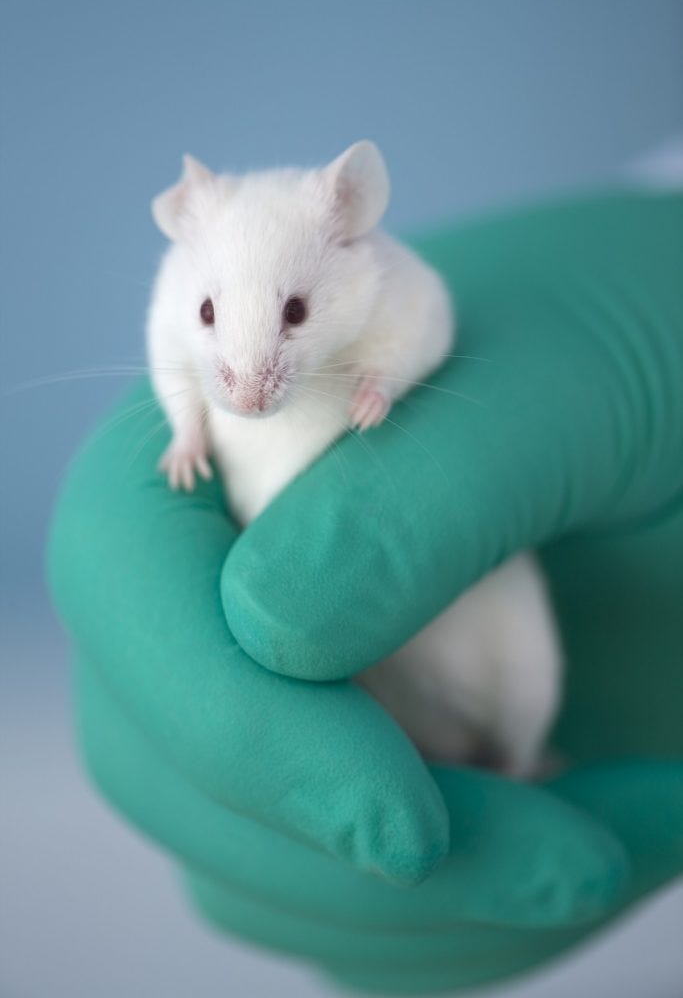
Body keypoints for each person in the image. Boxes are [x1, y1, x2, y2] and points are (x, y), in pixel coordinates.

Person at [49, 188, 683, 995]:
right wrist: (184, 426)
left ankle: (516, 754)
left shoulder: (386, 276)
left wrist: (382, 377)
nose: (248, 383)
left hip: (467, 580)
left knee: (505, 641)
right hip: (321, 622)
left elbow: (419, 317)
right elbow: (173, 345)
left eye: (293, 311)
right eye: (214, 314)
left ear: (352, 225)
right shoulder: (184, 286)